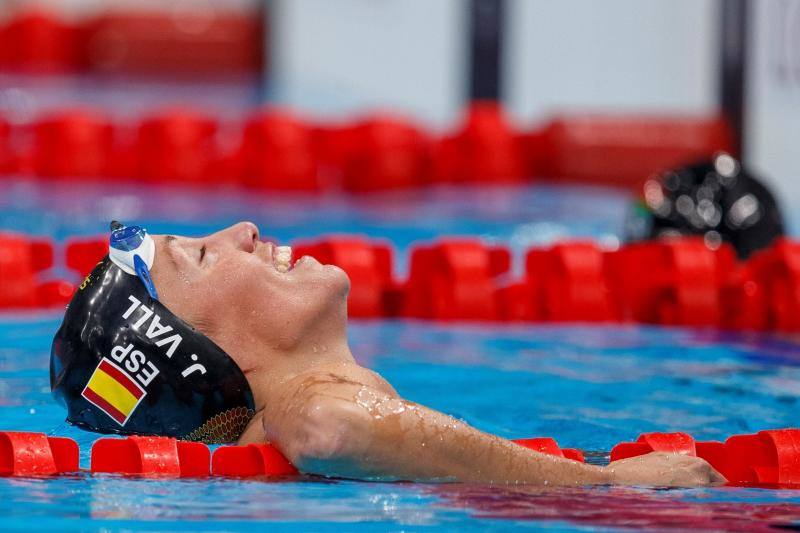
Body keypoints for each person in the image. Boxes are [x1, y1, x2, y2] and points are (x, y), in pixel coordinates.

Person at [51, 221, 724, 486]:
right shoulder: (296, 409)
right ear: (196, 356)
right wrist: (604, 489)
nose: (243, 230)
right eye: (199, 254)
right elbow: (329, 428)